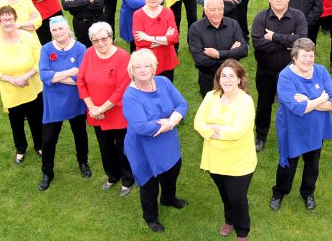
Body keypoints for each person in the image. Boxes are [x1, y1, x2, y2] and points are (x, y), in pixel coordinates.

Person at [122, 49, 189, 233]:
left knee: (172, 170)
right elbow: (141, 127)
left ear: (154, 67)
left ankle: (168, 198)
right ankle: (150, 217)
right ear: (131, 70)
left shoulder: (163, 82)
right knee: (149, 184)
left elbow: (182, 105)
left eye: (147, 65)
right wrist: (169, 124)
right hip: (143, 148)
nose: (143, 70)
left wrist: (171, 121)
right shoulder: (130, 95)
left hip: (167, 141)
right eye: (138, 66)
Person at [270, 38, 332, 212]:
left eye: (311, 55)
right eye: (304, 56)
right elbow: (296, 108)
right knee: (287, 164)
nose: (308, 59)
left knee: (312, 164)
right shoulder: (285, 77)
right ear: (294, 57)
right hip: (291, 129)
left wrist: (309, 101)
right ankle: (279, 192)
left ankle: (308, 193)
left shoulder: (321, 71)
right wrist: (321, 98)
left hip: (316, 128)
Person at [194, 59, 256, 240]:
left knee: (237, 198)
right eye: (223, 76)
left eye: (232, 76)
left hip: (239, 161)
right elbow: (198, 123)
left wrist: (213, 128)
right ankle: (229, 220)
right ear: (218, 78)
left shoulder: (245, 101)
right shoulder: (210, 96)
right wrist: (213, 129)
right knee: (225, 194)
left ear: (239, 79)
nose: (227, 80)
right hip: (215, 158)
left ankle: (242, 231)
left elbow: (238, 131)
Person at [77, 22, 134, 195]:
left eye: (104, 39)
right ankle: (112, 175)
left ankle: (128, 178)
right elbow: (81, 81)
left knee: (122, 147)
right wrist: (92, 108)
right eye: (96, 40)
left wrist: (101, 108)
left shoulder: (123, 56)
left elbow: (121, 89)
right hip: (96, 112)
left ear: (111, 37)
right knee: (105, 147)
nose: (100, 43)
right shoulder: (88, 54)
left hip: (117, 112)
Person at [251, 0, 308, 152]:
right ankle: (260, 136)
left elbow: (301, 42)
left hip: (292, 72)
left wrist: (274, 36)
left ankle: (294, 135)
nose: (278, 0)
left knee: (293, 103)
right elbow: (258, 44)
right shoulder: (261, 17)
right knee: (263, 104)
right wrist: (287, 42)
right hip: (266, 71)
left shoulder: (298, 16)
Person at [38, 16, 91, 191]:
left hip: (76, 101)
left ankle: (83, 162)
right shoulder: (46, 49)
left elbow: (81, 78)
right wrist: (70, 72)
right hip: (53, 103)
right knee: (48, 140)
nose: (58, 33)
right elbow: (44, 75)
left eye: (61, 29)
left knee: (80, 134)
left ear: (68, 29)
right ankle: (47, 172)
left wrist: (56, 76)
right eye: (54, 30)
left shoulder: (80, 48)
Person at [0, 6, 43, 164]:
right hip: (10, 91)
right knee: (16, 122)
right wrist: (13, 80)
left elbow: (40, 61)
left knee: (36, 119)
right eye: (4, 20)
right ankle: (20, 149)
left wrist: (26, 76)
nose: (7, 22)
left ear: (15, 20)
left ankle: (39, 145)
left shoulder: (27, 37)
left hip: (31, 85)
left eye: (10, 19)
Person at [188, 0, 248, 97]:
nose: (217, 13)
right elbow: (200, 60)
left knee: (233, 108)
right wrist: (231, 53)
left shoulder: (233, 24)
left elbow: (243, 50)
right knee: (211, 110)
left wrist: (218, 54)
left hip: (232, 77)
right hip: (208, 79)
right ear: (205, 10)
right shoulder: (195, 29)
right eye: (212, 10)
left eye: (220, 9)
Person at [132, 0, 179, 82]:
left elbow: (174, 38)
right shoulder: (138, 15)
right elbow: (140, 42)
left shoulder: (168, 12)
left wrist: (149, 38)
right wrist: (165, 40)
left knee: (166, 89)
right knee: (147, 90)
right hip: (146, 61)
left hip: (166, 59)